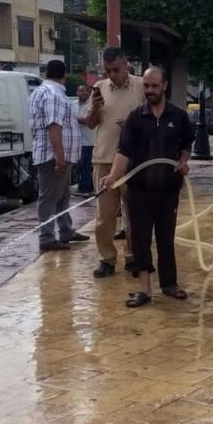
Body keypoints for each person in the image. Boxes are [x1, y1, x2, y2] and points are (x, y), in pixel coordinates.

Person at [100, 67, 195, 307]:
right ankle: (144, 289)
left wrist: (183, 161)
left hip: (168, 190)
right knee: (140, 239)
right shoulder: (135, 118)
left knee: (166, 238)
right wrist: (112, 177)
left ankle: (169, 284)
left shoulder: (179, 117)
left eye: (154, 86)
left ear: (164, 86)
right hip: (139, 190)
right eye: (146, 86)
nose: (149, 90)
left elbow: (186, 144)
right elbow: (123, 152)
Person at [84, 47, 144, 278]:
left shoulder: (141, 86)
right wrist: (95, 108)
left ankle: (133, 257)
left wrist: (131, 125)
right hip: (104, 159)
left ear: (126, 64)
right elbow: (91, 124)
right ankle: (106, 259)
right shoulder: (99, 88)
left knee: (135, 214)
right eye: (107, 70)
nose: (112, 75)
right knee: (104, 215)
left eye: (116, 70)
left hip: (134, 162)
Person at [29, 60, 90, 251]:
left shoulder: (43, 92)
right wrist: (60, 158)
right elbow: (54, 126)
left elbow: (64, 120)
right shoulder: (53, 94)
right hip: (52, 156)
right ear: (65, 74)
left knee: (63, 195)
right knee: (48, 197)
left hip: (58, 155)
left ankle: (65, 230)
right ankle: (46, 237)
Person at [75, 85, 96, 196]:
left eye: (85, 91)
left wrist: (74, 119)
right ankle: (84, 187)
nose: (83, 93)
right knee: (80, 165)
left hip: (89, 141)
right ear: (77, 92)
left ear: (88, 93)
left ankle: (85, 189)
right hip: (77, 141)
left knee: (86, 165)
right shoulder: (73, 105)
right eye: (80, 90)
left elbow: (88, 120)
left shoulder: (91, 105)